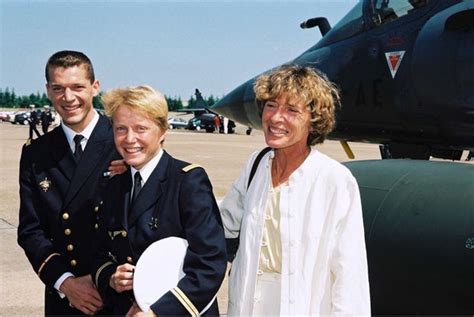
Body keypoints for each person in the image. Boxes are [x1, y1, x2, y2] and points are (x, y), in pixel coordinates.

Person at [219, 64, 371, 315]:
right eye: (271, 105)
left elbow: (349, 270)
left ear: (313, 121)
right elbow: (221, 222)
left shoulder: (334, 180)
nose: (276, 118)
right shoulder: (256, 164)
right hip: (248, 303)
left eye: (291, 110)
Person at [92, 85, 227, 316]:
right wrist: (112, 277)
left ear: (163, 130)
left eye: (141, 128)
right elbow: (99, 251)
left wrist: (159, 313)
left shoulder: (187, 182)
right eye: (120, 129)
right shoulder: (114, 184)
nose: (129, 139)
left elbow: (209, 264)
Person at [17, 50, 123, 315]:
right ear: (48, 91)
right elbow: (32, 231)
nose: (68, 98)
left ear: (95, 87)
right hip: (67, 298)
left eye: (78, 87)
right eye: (58, 88)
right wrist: (66, 282)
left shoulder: (124, 142)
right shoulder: (36, 154)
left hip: (119, 293)